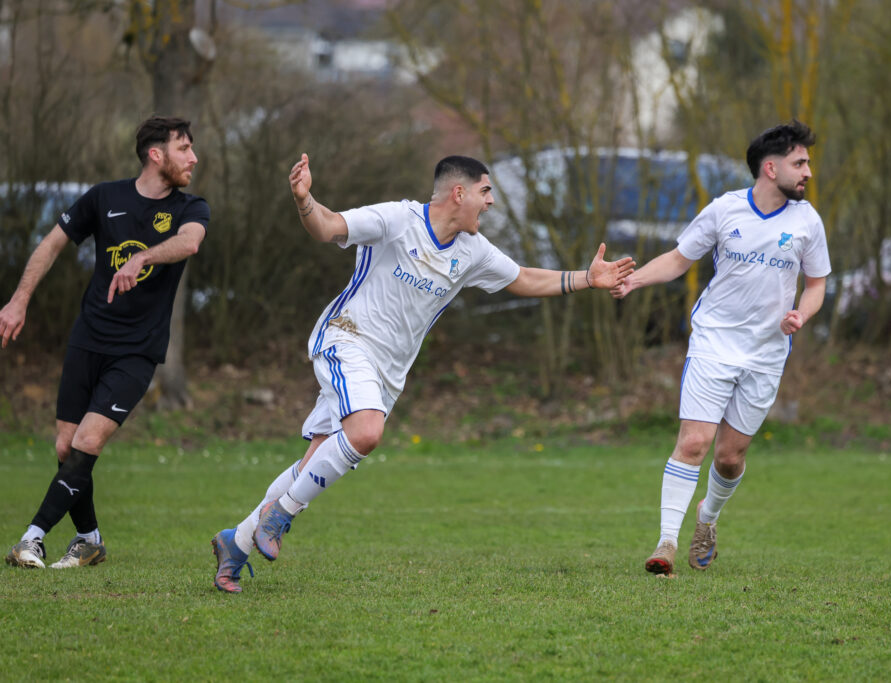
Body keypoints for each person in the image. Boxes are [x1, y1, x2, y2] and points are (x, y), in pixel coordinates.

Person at [210, 154, 635, 592]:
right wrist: (305, 200)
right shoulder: (398, 220)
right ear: (459, 193)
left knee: (316, 460)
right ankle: (280, 515)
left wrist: (587, 278)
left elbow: (523, 278)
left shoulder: (472, 251)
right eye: (486, 192)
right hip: (346, 339)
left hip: (388, 374)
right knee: (366, 433)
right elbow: (328, 226)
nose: (490, 202)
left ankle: (235, 543)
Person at [611, 120, 831, 576]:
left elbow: (816, 284)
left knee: (730, 458)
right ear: (771, 168)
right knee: (694, 442)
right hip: (714, 341)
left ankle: (707, 518)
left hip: (766, 353)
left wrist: (801, 315)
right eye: (800, 163)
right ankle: (666, 544)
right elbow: (678, 259)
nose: (808, 171)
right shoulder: (725, 209)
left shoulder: (807, 221)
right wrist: (634, 280)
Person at [2, 116, 210, 569]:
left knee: (88, 440)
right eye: (184, 148)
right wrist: (19, 300)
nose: (193, 158)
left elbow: (189, 244)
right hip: (88, 337)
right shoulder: (103, 197)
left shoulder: (191, 207)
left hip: (137, 350)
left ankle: (31, 539)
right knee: (66, 448)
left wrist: (143, 258)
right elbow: (51, 244)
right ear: (156, 154)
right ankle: (89, 540)